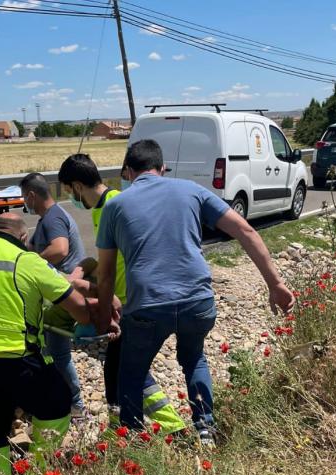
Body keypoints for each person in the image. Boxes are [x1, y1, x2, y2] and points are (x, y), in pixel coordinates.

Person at [95, 139, 295, 445]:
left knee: (131, 372)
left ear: (127, 171)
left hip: (147, 304)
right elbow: (245, 230)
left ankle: (133, 442)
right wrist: (275, 283)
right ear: (162, 168)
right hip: (197, 300)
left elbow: (106, 272)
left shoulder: (115, 205)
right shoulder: (191, 190)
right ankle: (205, 430)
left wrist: (106, 313)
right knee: (194, 359)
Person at [0, 215, 105, 475]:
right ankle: (42, 471)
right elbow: (77, 305)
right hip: (18, 360)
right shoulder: (26, 260)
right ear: (23, 238)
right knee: (57, 403)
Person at [58, 153, 185, 435]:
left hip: (132, 302)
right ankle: (124, 428)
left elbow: (123, 261)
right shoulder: (102, 208)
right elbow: (109, 259)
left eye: (69, 191)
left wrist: (106, 304)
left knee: (125, 368)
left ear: (77, 186)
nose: (72, 198)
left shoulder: (115, 204)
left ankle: (167, 427)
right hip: (125, 300)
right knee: (116, 368)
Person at [19, 172, 87, 416]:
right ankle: (60, 399)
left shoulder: (52, 218)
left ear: (32, 195)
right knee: (52, 351)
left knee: (57, 352)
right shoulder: (51, 217)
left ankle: (75, 404)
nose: (24, 203)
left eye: (23, 198)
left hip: (60, 295)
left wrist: (28, 261)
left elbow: (59, 250)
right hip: (60, 294)